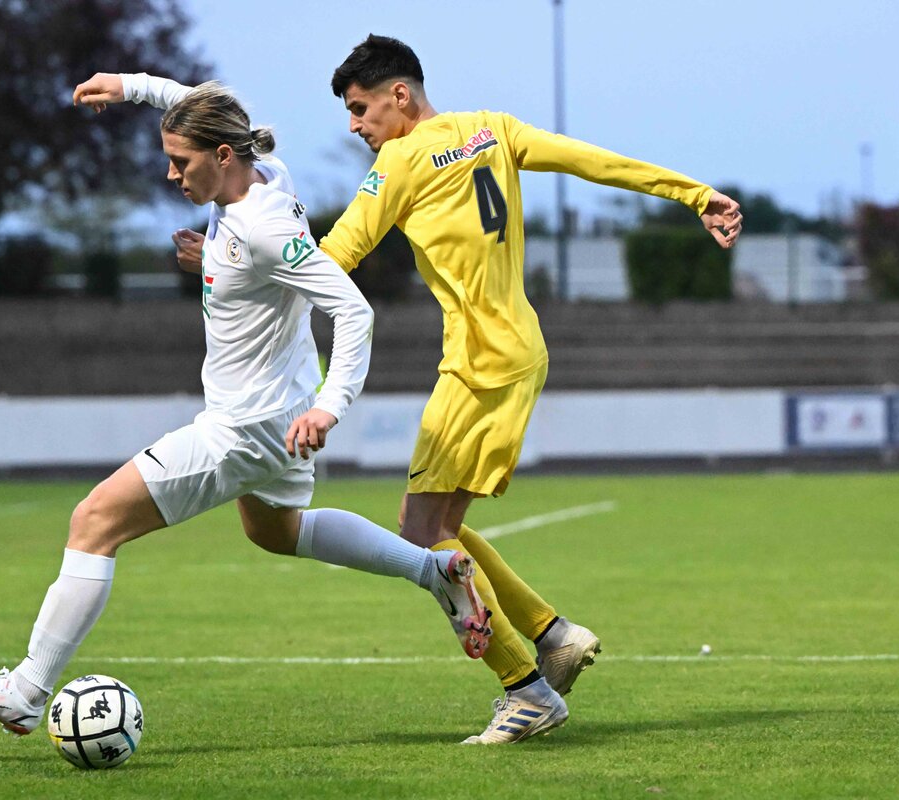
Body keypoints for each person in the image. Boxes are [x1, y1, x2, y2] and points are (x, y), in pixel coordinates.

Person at [0, 78, 497, 738]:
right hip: (277, 414)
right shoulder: (262, 170)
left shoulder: (262, 227)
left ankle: (26, 690)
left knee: (94, 520)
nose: (171, 175)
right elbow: (199, 104)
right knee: (275, 532)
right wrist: (131, 88)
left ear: (223, 156)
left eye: (181, 162)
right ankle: (433, 570)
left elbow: (352, 310)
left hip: (245, 427)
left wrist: (331, 406)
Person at [313, 34, 745, 744]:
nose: (356, 126)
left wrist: (234, 266)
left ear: (400, 95)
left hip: (479, 362)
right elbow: (591, 160)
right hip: (519, 348)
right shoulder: (493, 129)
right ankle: (552, 635)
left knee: (421, 536)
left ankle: (527, 685)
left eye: (361, 109)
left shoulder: (400, 160)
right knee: (434, 526)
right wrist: (693, 193)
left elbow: (335, 258)